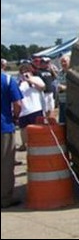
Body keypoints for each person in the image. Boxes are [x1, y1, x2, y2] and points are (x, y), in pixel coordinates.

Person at [2, 66, 23, 208]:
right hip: (4, 127)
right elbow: (18, 104)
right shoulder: (8, 80)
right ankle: (4, 198)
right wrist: (15, 117)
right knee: (5, 164)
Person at [16, 63, 46, 151]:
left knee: (37, 128)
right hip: (23, 110)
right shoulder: (19, 82)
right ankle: (24, 145)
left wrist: (30, 80)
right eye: (22, 72)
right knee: (23, 129)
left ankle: (40, 144)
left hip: (35, 108)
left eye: (26, 71)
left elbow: (42, 87)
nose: (24, 73)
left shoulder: (36, 79)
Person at [56, 54, 70, 123]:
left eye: (65, 61)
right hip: (62, 102)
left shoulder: (72, 72)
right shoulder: (59, 73)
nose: (63, 63)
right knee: (62, 123)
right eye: (61, 62)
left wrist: (64, 88)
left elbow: (76, 88)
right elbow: (57, 84)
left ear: (69, 61)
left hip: (70, 103)